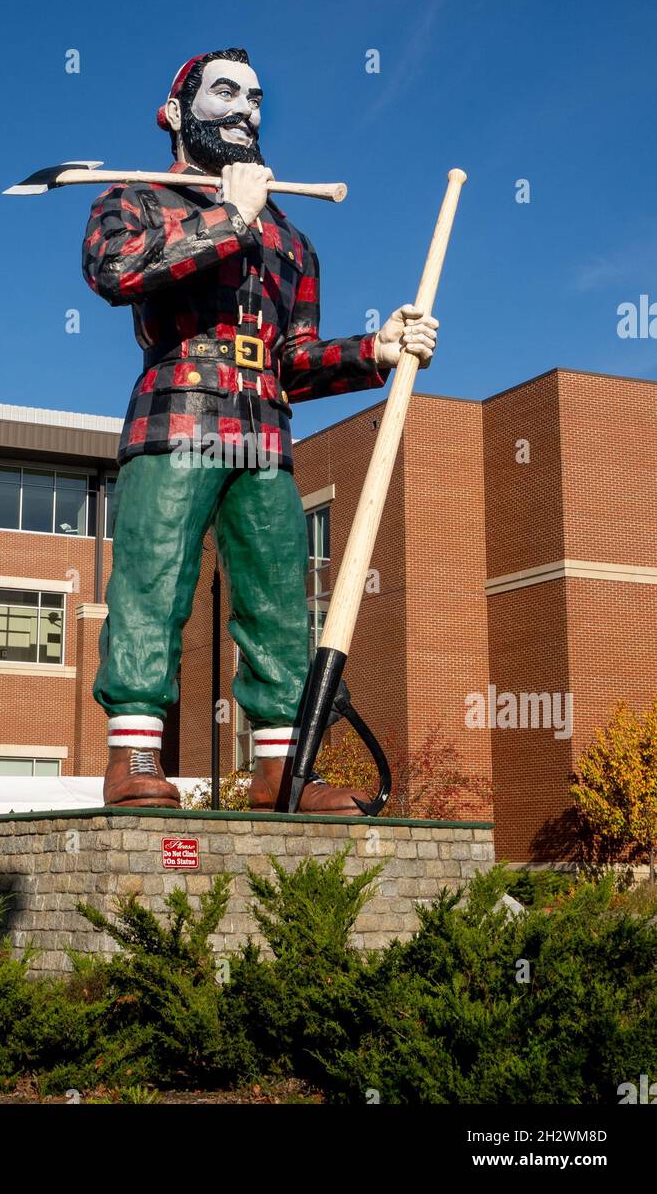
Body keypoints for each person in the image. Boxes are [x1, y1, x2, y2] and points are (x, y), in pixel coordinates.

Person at [82, 48, 438, 813]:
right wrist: (230, 216)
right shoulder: (136, 200)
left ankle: (283, 768)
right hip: (175, 423)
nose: (245, 110)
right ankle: (135, 757)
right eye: (224, 93)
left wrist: (374, 350)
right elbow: (117, 271)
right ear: (174, 113)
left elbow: (293, 363)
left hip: (264, 439)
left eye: (255, 98)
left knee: (278, 597)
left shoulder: (294, 243)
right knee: (153, 583)